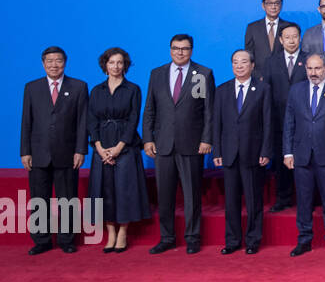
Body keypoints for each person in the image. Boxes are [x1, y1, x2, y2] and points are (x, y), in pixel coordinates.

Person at [142, 34, 214, 255]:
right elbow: (150, 110)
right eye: (176, 48)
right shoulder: (157, 74)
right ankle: (167, 237)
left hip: (191, 143)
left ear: (192, 50)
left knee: (192, 194)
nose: (180, 52)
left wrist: (206, 139)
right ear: (170, 49)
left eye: (185, 48)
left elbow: (208, 111)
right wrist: (147, 139)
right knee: (164, 194)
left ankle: (192, 237)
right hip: (163, 144)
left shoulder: (202, 74)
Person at [20, 46, 88, 254]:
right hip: (38, 152)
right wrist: (25, 151)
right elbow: (26, 122)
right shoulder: (32, 88)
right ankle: (42, 241)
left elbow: (82, 122)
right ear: (43, 63)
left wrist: (80, 150)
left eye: (58, 60)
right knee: (39, 199)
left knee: (67, 198)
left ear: (65, 62)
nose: (54, 65)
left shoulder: (78, 87)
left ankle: (67, 240)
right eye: (49, 61)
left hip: (68, 153)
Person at [283, 54, 325, 256]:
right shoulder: (296, 90)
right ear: (305, 69)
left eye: (317, 68)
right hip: (301, 155)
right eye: (310, 69)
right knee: (303, 201)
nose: (313, 73)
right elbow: (289, 123)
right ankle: (304, 240)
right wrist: (288, 152)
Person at [86, 48, 150, 252]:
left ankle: (123, 232)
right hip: (101, 145)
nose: (116, 66)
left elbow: (133, 120)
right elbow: (91, 120)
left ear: (125, 65)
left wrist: (119, 148)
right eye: (112, 62)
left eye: (120, 62)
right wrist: (99, 147)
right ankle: (110, 232)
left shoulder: (133, 89)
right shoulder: (96, 91)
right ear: (105, 65)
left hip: (125, 145)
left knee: (124, 190)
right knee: (103, 190)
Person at [212, 50, 272, 255]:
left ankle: (253, 240)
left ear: (252, 65)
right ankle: (232, 240)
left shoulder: (263, 89)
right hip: (228, 154)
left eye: (244, 62)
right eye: (235, 62)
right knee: (231, 201)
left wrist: (266, 150)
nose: (239, 66)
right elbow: (216, 124)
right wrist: (217, 151)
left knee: (254, 200)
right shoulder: (222, 90)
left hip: (253, 154)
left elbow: (267, 123)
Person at [263, 21, 307, 212]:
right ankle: (283, 198)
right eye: (287, 37)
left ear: (300, 38)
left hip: (305, 121)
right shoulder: (271, 62)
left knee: (305, 161)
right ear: (280, 40)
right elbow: (266, 92)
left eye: (295, 36)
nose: (291, 40)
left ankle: (307, 198)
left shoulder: (309, 61)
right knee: (282, 162)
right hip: (279, 120)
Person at [244, 0, 284, 73]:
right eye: (269, 3)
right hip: (259, 77)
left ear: (281, 5)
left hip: (283, 75)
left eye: (277, 3)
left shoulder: (288, 27)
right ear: (263, 5)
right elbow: (248, 55)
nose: (273, 7)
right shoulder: (252, 28)